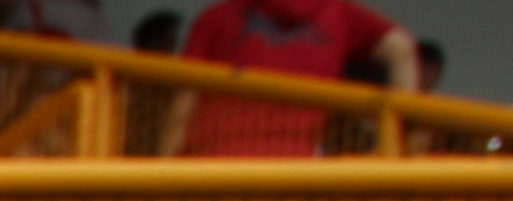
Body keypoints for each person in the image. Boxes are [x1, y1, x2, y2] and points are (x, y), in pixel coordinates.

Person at [157, 0, 418, 149]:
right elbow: (402, 50)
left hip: (214, 166)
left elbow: (183, 110)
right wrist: (396, 145)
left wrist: (163, 186)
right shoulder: (339, 13)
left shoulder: (214, 18)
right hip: (292, 172)